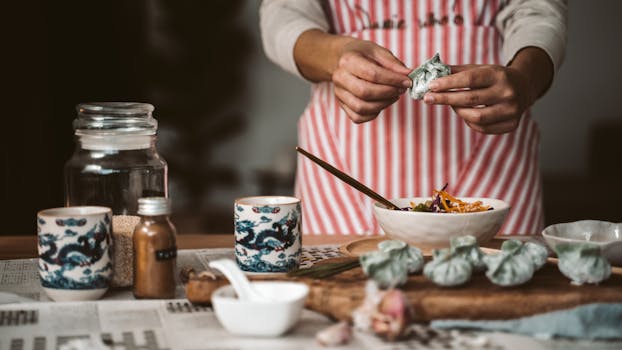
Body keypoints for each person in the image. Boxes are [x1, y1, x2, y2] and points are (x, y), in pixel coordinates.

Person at [260, 0, 567, 235]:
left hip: (494, 167)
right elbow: (281, 14)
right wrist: (336, 55)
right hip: (343, 175)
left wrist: (524, 80)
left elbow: (538, 10)